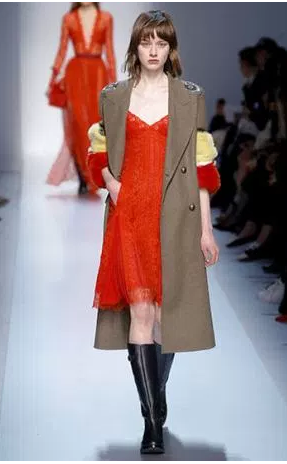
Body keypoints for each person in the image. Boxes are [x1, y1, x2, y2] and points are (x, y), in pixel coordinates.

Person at [85, 10, 221, 454]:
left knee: (165, 317)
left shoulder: (189, 97)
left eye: (162, 43)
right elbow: (97, 151)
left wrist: (206, 230)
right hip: (129, 216)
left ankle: (155, 400)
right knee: (141, 314)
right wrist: (111, 184)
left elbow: (203, 169)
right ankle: (153, 422)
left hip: (176, 218)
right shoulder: (113, 97)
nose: (154, 51)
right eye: (147, 42)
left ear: (171, 49)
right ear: (136, 46)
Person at [47, 2, 116, 194]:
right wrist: (53, 78)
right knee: (77, 124)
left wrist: (114, 85)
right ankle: (83, 177)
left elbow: (110, 51)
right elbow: (62, 49)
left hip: (98, 74)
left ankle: (92, 174)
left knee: (95, 123)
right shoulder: (68, 19)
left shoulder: (106, 18)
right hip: (75, 75)